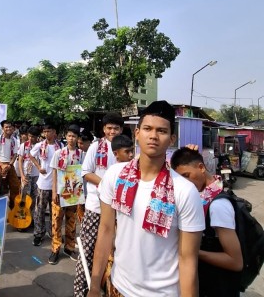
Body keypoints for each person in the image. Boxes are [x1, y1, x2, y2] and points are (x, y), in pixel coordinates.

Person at [87, 101, 205, 297]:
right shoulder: (115, 175)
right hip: (117, 286)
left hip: (163, 293)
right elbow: (106, 229)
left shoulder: (185, 191)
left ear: (172, 138)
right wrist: (94, 284)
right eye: (147, 129)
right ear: (137, 133)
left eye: (162, 131)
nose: (153, 136)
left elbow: (188, 259)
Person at [171, 147, 243, 297]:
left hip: (219, 287)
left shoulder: (217, 206)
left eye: (187, 175)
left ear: (201, 167)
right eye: (180, 179)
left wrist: (192, 252)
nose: (185, 183)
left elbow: (235, 262)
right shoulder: (205, 194)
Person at [74, 113, 124, 296]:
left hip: (118, 209)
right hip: (95, 206)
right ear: (104, 129)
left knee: (114, 251)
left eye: (116, 128)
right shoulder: (96, 147)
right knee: (88, 248)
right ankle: (80, 290)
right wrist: (106, 185)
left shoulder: (126, 148)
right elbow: (86, 172)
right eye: (109, 128)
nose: (113, 131)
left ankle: (105, 286)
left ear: (122, 129)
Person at [49, 125, 84, 265]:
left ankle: (69, 247)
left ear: (77, 138)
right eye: (69, 136)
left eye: (74, 136)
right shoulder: (59, 153)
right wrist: (54, 192)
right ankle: (55, 248)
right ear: (66, 136)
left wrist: (81, 194)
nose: (71, 138)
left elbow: (83, 173)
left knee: (71, 221)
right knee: (56, 220)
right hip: (60, 191)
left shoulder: (81, 154)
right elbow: (55, 172)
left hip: (74, 191)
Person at [29, 124, 62, 247]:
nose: (46, 133)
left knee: (55, 211)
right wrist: (38, 167)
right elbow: (30, 155)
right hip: (43, 184)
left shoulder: (61, 146)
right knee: (39, 211)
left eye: (49, 131)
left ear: (54, 132)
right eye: (44, 131)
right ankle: (38, 234)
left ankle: (53, 233)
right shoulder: (40, 145)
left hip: (56, 185)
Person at [0, 120, 20, 208]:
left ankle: (13, 209)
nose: (8, 128)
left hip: (10, 165)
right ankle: (0, 208)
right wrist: (2, 165)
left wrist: (10, 165)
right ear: (2, 128)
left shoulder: (14, 140)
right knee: (1, 188)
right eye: (6, 127)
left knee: (15, 187)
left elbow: (15, 154)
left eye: (10, 127)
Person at [18, 126, 40, 223]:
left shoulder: (41, 146)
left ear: (37, 137)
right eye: (30, 136)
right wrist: (22, 175)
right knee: (24, 197)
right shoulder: (24, 145)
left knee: (35, 198)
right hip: (26, 175)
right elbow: (20, 161)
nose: (31, 138)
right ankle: (22, 217)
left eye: (33, 137)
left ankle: (31, 218)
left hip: (37, 176)